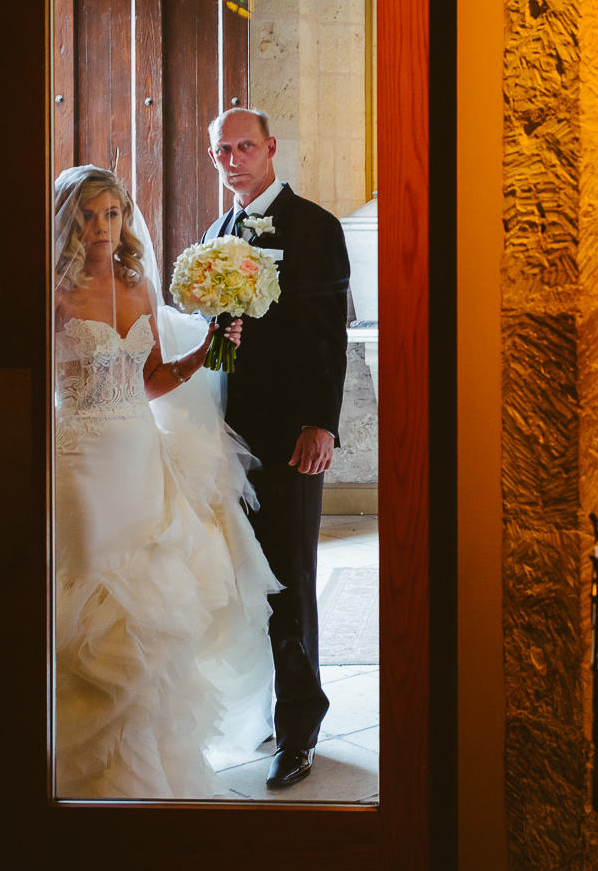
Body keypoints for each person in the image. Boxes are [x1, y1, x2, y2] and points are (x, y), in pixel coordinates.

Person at [52, 165, 279, 798]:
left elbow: (151, 378)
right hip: (80, 457)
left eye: (113, 214)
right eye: (90, 215)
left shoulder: (137, 285)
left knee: (145, 606)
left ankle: (142, 766)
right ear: (72, 222)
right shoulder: (55, 293)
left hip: (137, 454)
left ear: (126, 221)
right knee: (91, 593)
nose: (103, 227)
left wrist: (209, 346)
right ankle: (77, 773)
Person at [201, 107, 351, 789]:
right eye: (221, 149)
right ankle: (260, 707)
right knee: (244, 581)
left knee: (289, 584)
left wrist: (320, 422)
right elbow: (225, 343)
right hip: (229, 435)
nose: (232, 159)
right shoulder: (217, 232)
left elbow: (326, 335)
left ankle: (299, 731)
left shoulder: (314, 227)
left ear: (270, 148)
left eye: (244, 146)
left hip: (292, 436)